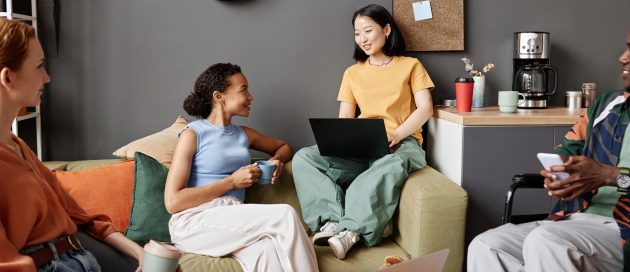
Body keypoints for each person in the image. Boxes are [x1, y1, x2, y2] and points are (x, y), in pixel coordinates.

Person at [468, 4, 630, 272]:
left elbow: (608, 175)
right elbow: (566, 153)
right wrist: (560, 177)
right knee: (487, 245)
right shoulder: (608, 104)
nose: (622, 58)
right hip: (577, 219)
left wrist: (610, 175)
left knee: (548, 241)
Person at [292, 4, 434, 259]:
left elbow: (425, 109)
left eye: (368, 31)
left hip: (403, 144)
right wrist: (340, 142)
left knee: (390, 164)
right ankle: (331, 223)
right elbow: (345, 118)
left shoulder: (410, 65)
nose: (362, 39)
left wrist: (398, 134)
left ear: (387, 30)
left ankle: (351, 231)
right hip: (362, 147)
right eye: (357, 33)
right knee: (304, 157)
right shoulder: (352, 73)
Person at [0, 19, 144, 272]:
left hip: (82, 257)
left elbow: (81, 217)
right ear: (8, 77)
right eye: (39, 66)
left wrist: (140, 254)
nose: (47, 77)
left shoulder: (18, 146)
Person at [163, 63, 319, 272]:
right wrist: (232, 182)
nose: (251, 96)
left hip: (233, 220)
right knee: (285, 215)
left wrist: (276, 160)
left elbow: (284, 147)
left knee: (267, 251)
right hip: (194, 222)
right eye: (243, 89)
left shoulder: (243, 134)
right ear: (219, 96)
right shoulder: (193, 134)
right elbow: (173, 202)